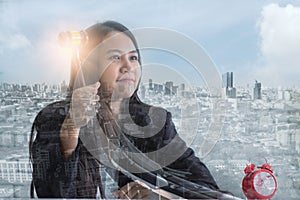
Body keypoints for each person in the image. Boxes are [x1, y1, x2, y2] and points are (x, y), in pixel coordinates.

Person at [29, 20, 219, 199]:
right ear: (90, 67)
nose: (128, 67)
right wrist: (71, 130)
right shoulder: (53, 119)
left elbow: (204, 186)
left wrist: (160, 196)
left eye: (133, 57)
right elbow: (50, 193)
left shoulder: (155, 121)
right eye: (115, 57)